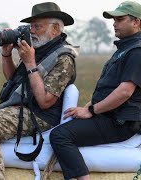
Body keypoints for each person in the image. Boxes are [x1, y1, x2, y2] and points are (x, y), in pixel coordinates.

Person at [0, 2, 78, 180]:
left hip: (41, 114)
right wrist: (6, 54)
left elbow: (45, 101)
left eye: (38, 26)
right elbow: (14, 80)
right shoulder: (37, 49)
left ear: (55, 29)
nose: (32, 31)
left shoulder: (63, 58)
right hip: (23, 106)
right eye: (31, 26)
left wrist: (30, 62)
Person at [50, 1, 141, 180]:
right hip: (110, 116)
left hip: (120, 122)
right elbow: (109, 89)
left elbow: (124, 92)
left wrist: (91, 111)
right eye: (114, 19)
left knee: (60, 135)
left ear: (136, 22)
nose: (114, 23)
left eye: (120, 19)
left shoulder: (137, 51)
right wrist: (86, 107)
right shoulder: (125, 49)